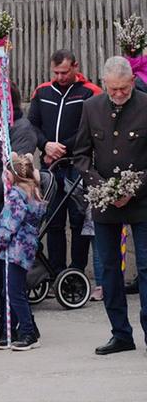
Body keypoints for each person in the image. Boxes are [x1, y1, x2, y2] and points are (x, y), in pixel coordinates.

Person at [70, 56, 147, 355]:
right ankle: (121, 334)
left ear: (132, 82)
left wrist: (133, 188)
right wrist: (100, 186)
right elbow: (81, 155)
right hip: (105, 203)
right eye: (112, 89)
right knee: (110, 270)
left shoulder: (144, 105)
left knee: (145, 266)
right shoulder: (91, 108)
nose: (118, 95)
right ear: (104, 84)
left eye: (123, 89)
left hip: (141, 202)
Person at [29, 50, 101, 276]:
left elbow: (88, 129)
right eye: (56, 72)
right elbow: (32, 125)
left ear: (76, 66)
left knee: (78, 219)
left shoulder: (90, 92)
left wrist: (63, 149)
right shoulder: (42, 91)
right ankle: (56, 270)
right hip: (49, 165)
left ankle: (77, 270)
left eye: (65, 72)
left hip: (77, 165)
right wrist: (46, 145)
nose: (60, 77)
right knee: (53, 220)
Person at [0, 154, 46, 351]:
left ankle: (28, 332)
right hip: (26, 248)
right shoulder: (33, 192)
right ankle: (11, 330)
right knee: (13, 289)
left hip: (15, 248)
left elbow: (9, 223)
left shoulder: (15, 195)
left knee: (13, 291)